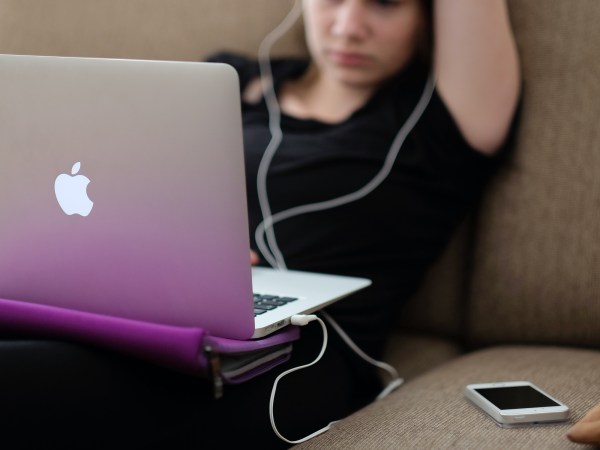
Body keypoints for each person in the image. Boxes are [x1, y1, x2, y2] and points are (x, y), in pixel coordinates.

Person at [0, 1, 521, 449]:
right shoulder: (227, 81)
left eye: (385, 3)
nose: (347, 26)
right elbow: (124, 192)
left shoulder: (440, 120)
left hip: (298, 353)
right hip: (159, 308)